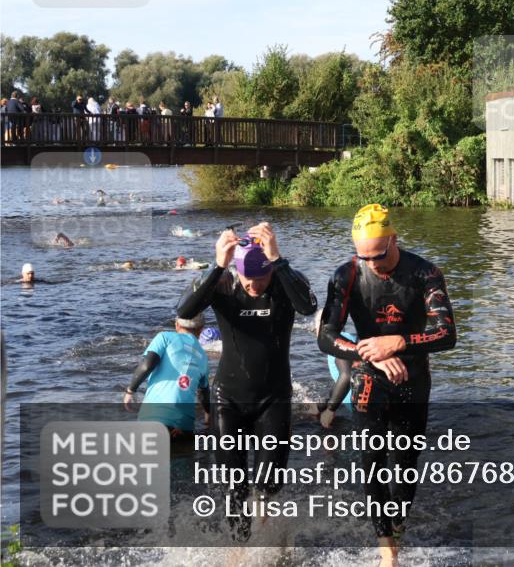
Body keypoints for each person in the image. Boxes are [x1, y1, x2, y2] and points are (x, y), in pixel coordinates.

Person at [317, 204, 457, 567]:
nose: (371, 264)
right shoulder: (347, 275)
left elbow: (446, 333)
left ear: (394, 239)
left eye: (377, 256)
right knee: (373, 461)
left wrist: (399, 342)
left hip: (413, 378)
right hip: (367, 375)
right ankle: (387, 551)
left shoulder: (426, 273)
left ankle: (397, 526)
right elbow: (326, 335)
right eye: (363, 256)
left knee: (406, 463)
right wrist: (372, 353)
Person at [176, 222, 317, 540]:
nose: (254, 285)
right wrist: (217, 264)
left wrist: (278, 260)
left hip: (274, 397)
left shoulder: (283, 281)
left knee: (269, 483)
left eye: (261, 277)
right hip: (229, 399)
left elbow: (309, 307)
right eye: (247, 278)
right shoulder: (223, 282)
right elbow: (184, 311)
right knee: (232, 484)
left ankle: (264, 535)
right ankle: (240, 546)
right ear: (236, 271)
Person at [123, 312, 211, 439]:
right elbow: (204, 391)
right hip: (183, 424)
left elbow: (147, 365)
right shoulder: (203, 356)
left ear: (177, 325)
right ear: (201, 330)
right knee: (181, 457)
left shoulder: (164, 337)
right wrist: (208, 416)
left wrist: (130, 390)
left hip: (153, 416)